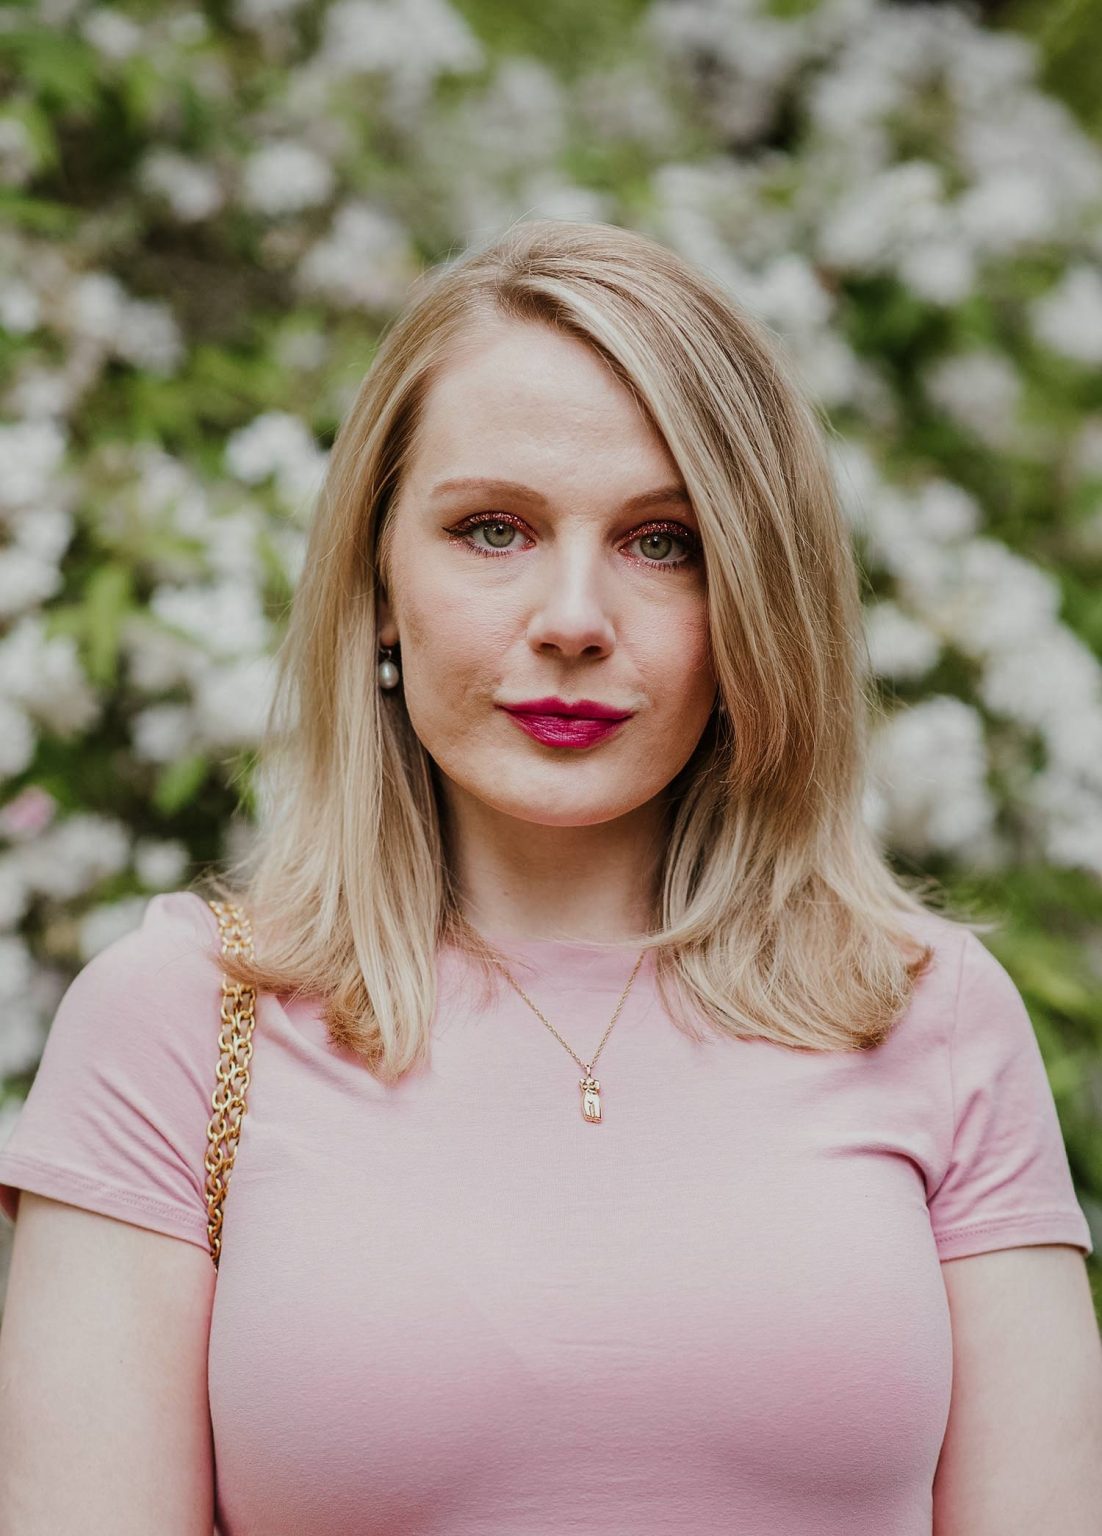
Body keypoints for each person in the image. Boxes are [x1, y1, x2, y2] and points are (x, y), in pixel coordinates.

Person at [0, 218, 1099, 1535]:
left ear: (754, 590)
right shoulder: (179, 1021)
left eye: (662, 542)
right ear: (379, 584)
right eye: (491, 529)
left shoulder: (927, 1012)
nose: (573, 618)